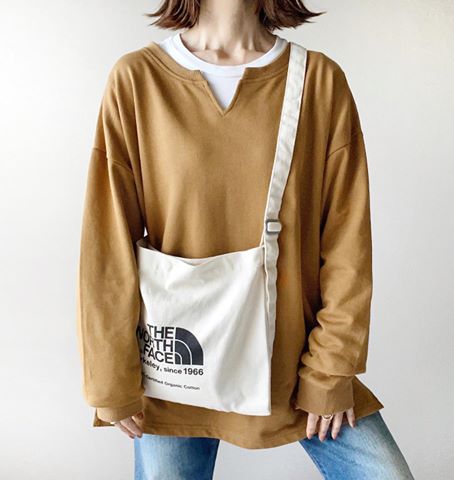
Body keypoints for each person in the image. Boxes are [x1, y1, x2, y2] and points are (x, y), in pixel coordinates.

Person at [76, 0, 415, 478]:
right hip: (177, 367)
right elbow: (107, 241)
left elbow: (347, 243)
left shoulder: (318, 81)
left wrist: (332, 369)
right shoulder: (138, 80)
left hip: (296, 361)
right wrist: (110, 377)